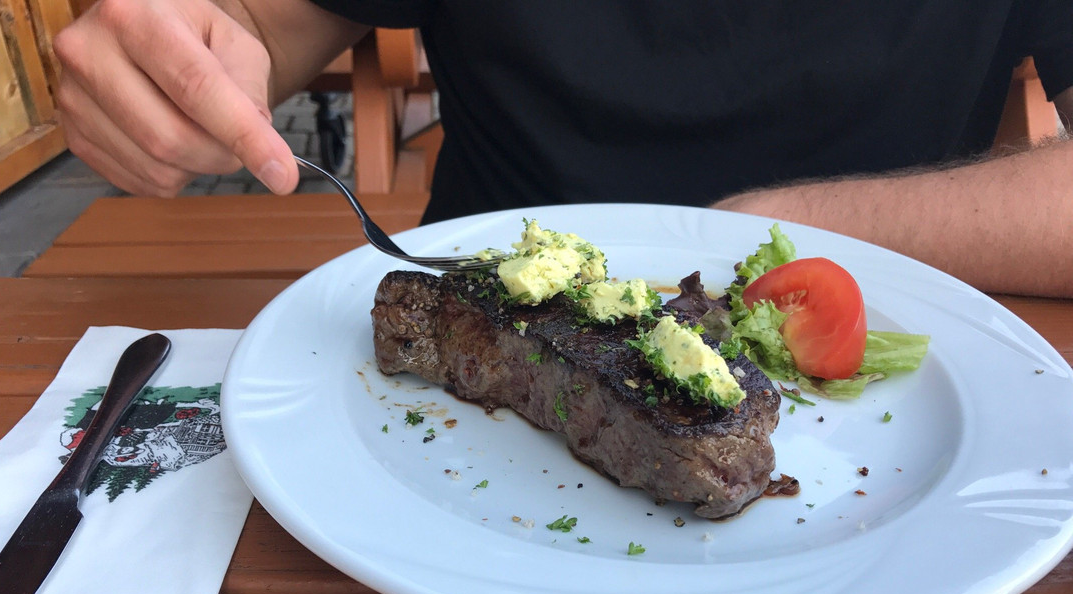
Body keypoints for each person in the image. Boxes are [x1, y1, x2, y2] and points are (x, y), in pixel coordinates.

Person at [52, 0, 1073, 297]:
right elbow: (254, 27)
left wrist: (783, 231)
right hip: (460, 365)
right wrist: (174, 58)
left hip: (886, 398)